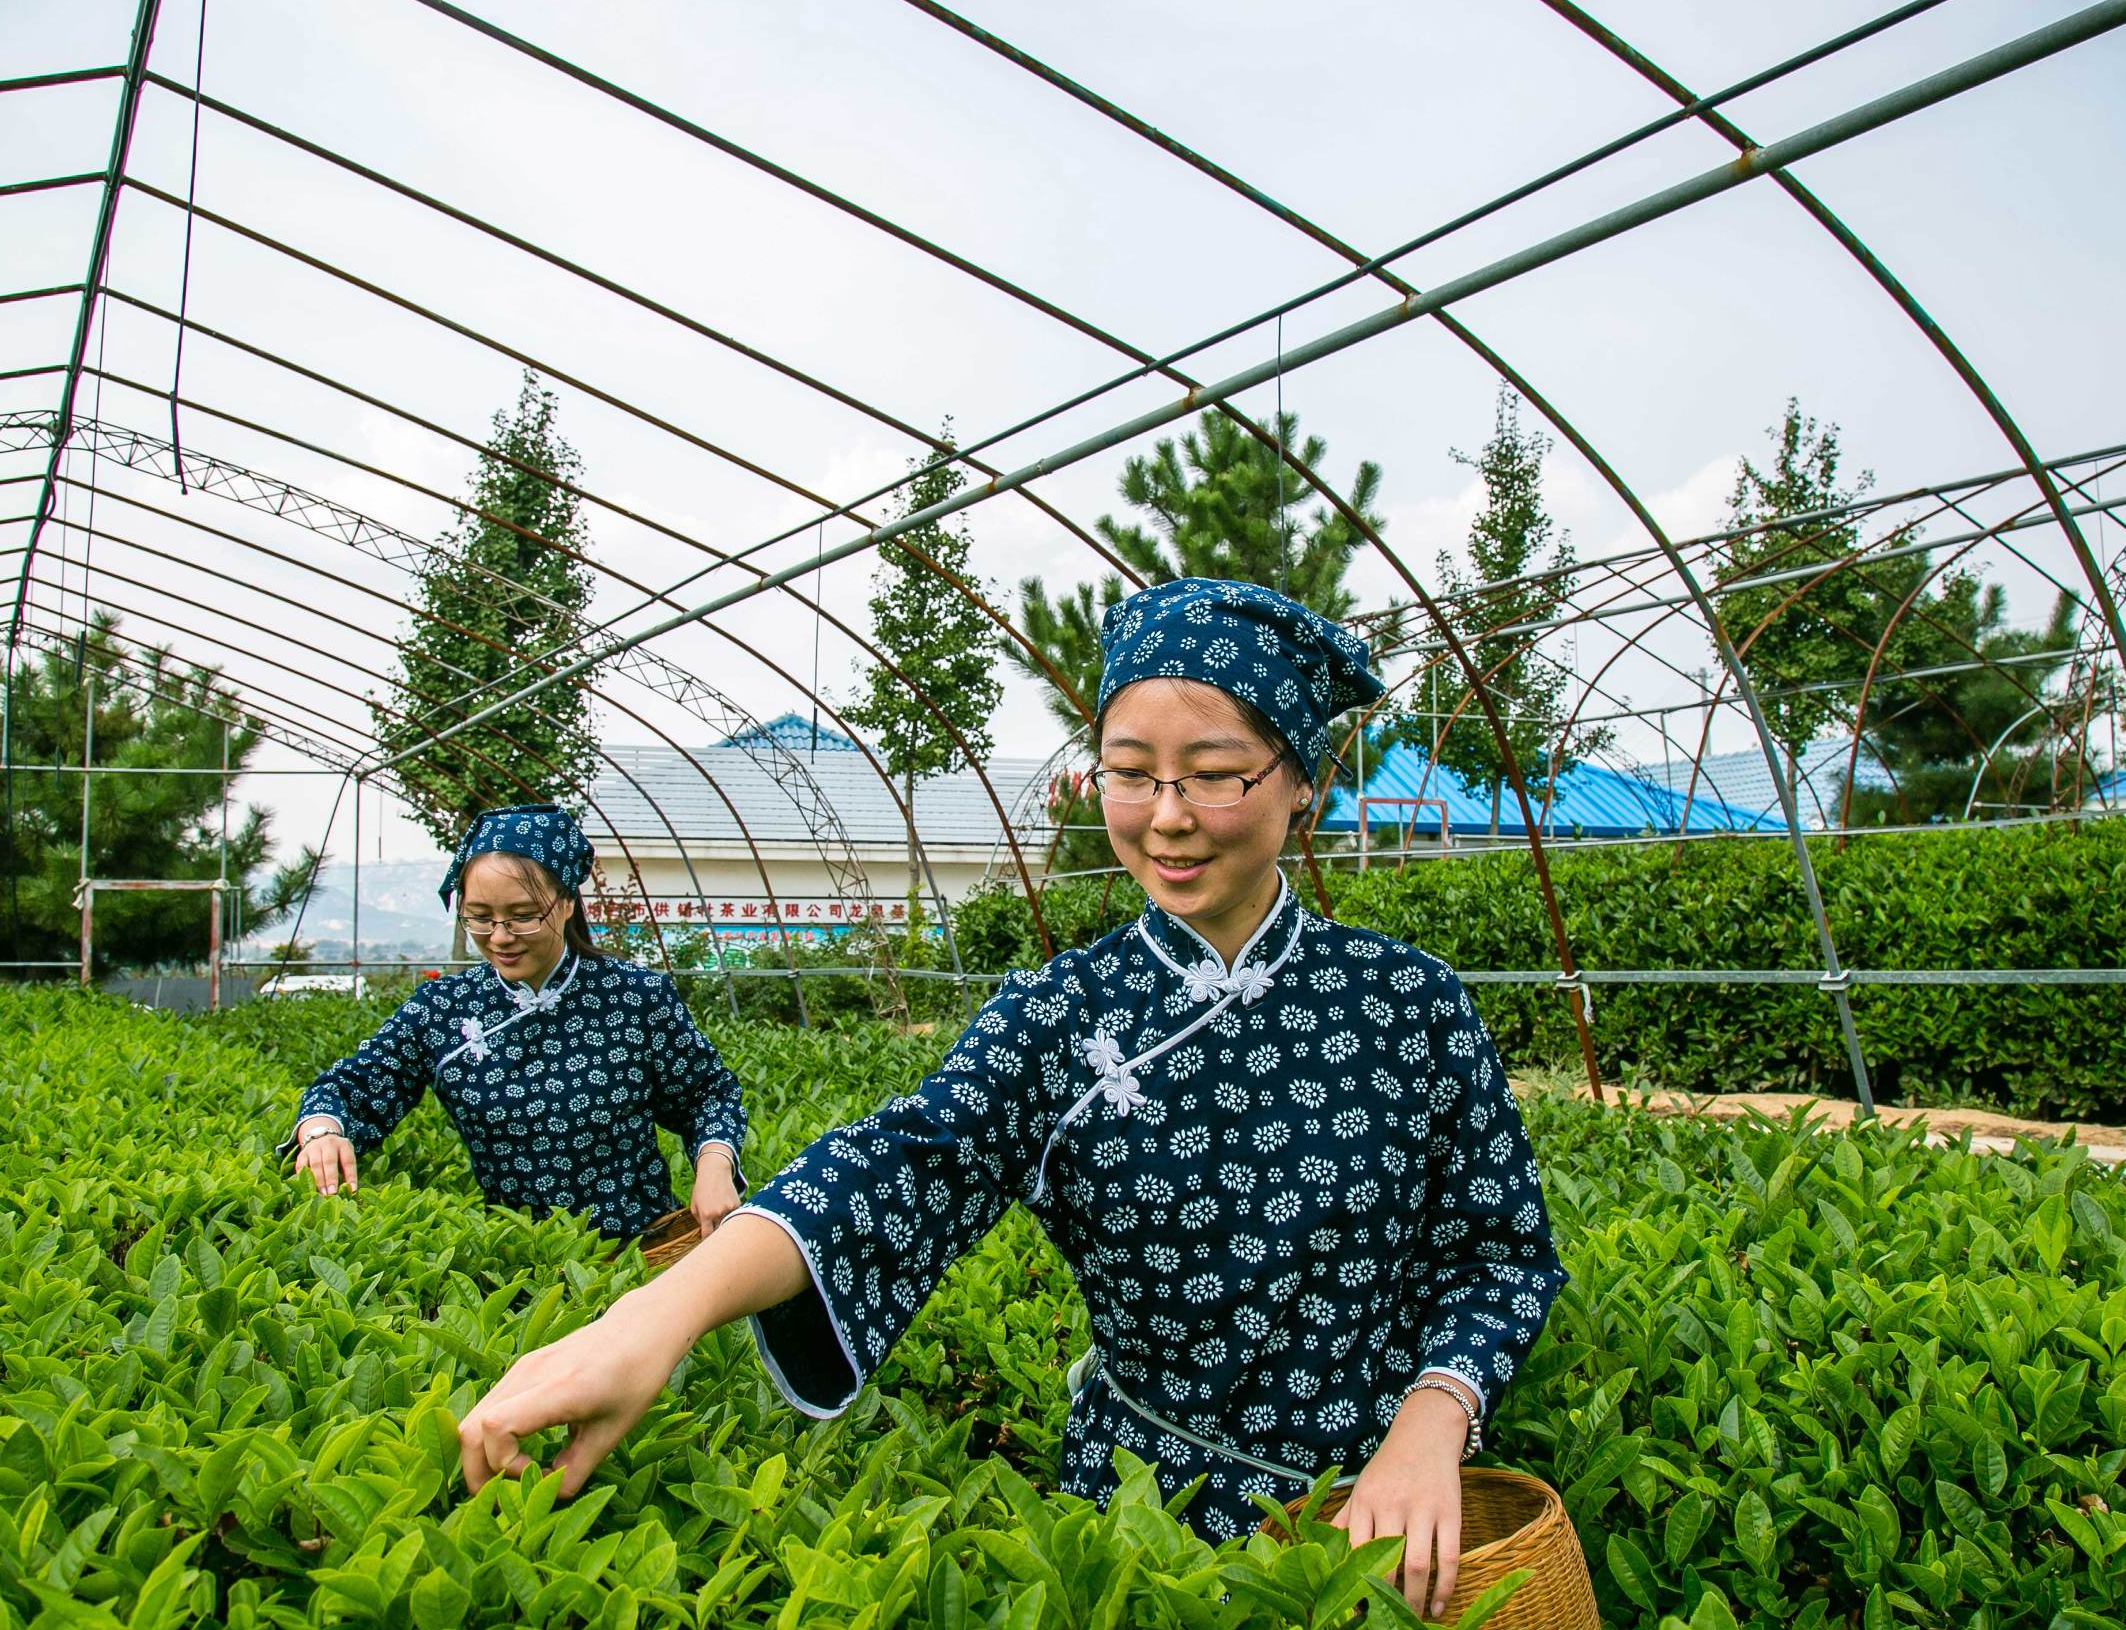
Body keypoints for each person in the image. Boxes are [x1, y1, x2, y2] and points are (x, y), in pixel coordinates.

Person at [455, 582, 1566, 1616]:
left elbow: (1501, 1251)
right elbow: (897, 1164)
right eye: (1129, 771)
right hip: (1143, 1523)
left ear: (1300, 785)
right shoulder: (1059, 1014)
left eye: (1213, 772)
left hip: (1389, 1518)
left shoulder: (1407, 1002)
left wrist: (1430, 1423)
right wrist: (654, 1318)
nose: (1165, 814)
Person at [281, 803, 746, 1241]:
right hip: (516, 1257)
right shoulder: (444, 1008)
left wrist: (714, 1164)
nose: (500, 938)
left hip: (643, 1250)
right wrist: (324, 1130)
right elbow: (355, 1085)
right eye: (479, 918)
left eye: (523, 917)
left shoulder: (634, 995)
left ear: (565, 903)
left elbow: (708, 1093)